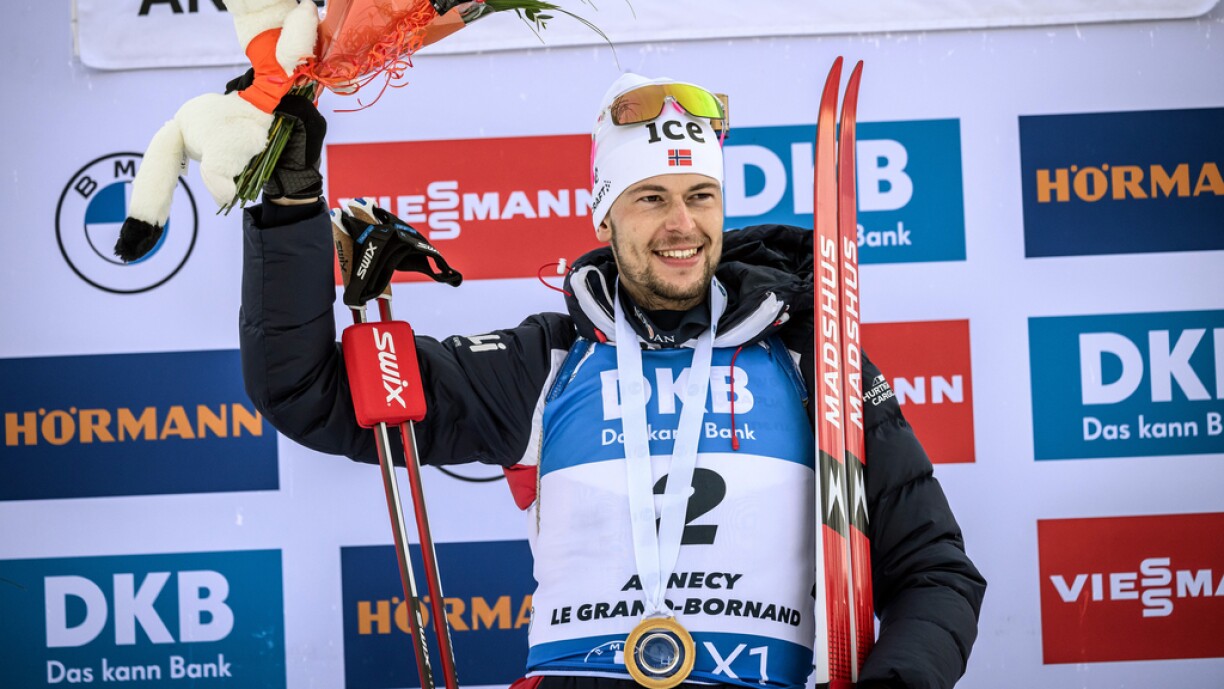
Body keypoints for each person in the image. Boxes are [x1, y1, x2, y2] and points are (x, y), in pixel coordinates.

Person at [238, 72, 986, 689]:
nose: (681, 224)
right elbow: (312, 392)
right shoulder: (545, 361)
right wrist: (292, 205)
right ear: (605, 215)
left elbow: (933, 572)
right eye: (650, 197)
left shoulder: (814, 363)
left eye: (700, 195)